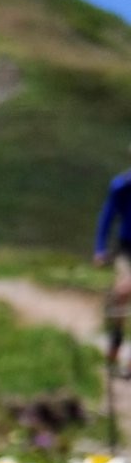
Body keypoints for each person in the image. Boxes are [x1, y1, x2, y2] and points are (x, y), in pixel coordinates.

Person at [94, 152, 131, 377]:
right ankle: (114, 347)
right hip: (127, 250)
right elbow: (107, 217)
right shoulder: (120, 187)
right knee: (121, 295)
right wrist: (100, 249)